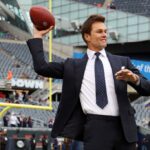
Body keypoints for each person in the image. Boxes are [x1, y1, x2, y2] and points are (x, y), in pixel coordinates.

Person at [27, 14, 150, 150]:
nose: (104, 35)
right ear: (87, 36)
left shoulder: (122, 61)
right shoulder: (73, 66)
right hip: (95, 127)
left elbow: (147, 88)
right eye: (99, 31)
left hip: (124, 128)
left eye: (105, 31)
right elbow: (41, 67)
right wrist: (37, 36)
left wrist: (134, 78)